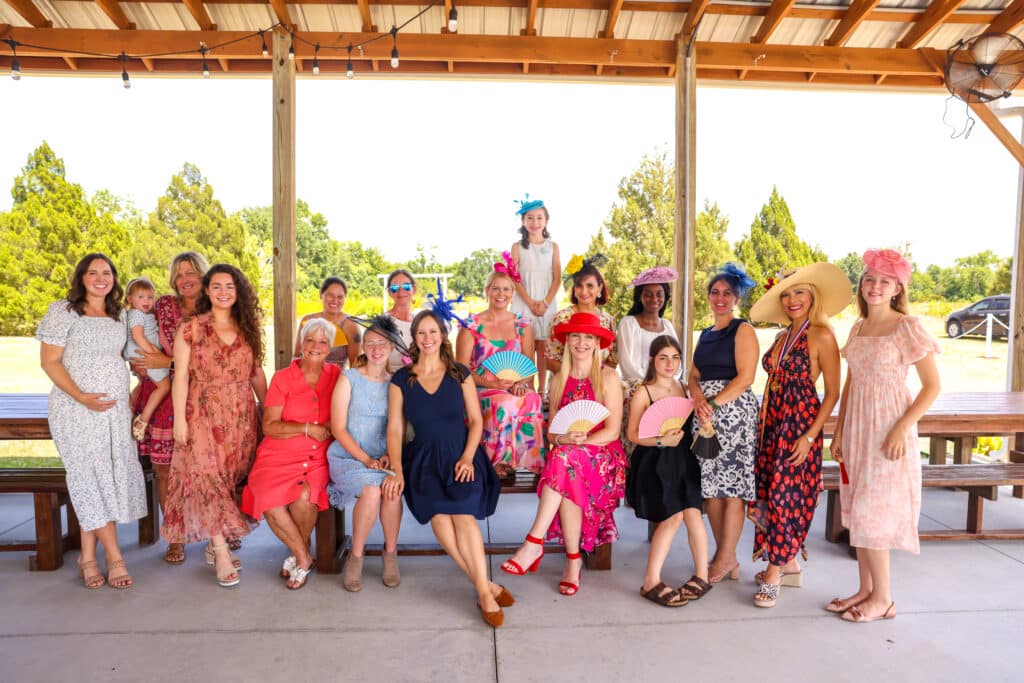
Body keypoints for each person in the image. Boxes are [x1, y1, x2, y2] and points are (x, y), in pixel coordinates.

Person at [828, 249, 940, 623]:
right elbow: (851, 382)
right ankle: (866, 590)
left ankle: (885, 599)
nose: (874, 286)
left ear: (897, 288)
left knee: (872, 513)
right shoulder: (858, 328)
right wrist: (839, 431)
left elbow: (931, 387)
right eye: (869, 278)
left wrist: (901, 428)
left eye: (884, 280)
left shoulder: (906, 327)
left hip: (889, 431)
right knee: (857, 510)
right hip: (857, 430)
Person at [383, 310, 510, 627]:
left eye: (433, 332)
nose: (427, 339)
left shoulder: (460, 374)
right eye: (421, 333)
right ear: (414, 338)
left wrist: (467, 458)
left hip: (461, 455)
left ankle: (483, 591)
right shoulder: (402, 379)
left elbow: (477, 421)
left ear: (442, 335)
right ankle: (485, 587)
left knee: (463, 516)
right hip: (423, 460)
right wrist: (397, 469)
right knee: (440, 517)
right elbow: (395, 430)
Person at [37, 253, 148, 589]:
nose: (101, 278)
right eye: (93, 272)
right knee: (88, 476)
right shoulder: (63, 311)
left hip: (113, 413)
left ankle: (87, 557)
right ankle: (115, 558)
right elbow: (50, 362)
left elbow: (127, 356)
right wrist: (81, 396)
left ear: (114, 278)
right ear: (81, 277)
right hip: (76, 410)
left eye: (107, 272)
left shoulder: (119, 315)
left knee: (105, 479)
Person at [502, 312, 627, 597]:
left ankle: (535, 542)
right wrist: (566, 438)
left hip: (603, 455)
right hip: (570, 458)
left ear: (597, 343)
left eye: (588, 337)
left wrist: (581, 444)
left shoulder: (607, 377)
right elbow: (552, 434)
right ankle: (573, 562)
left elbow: (613, 431)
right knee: (566, 464)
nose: (581, 342)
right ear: (568, 341)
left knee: (565, 461)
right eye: (576, 336)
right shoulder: (559, 379)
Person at [162, 264, 268, 588]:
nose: (223, 292)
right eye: (217, 286)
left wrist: (268, 411)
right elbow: (179, 376)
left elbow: (256, 372)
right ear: (207, 290)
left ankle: (214, 540)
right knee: (208, 479)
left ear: (239, 293)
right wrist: (180, 419)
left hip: (240, 416)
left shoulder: (247, 326)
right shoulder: (190, 328)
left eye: (230, 287)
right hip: (202, 413)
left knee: (230, 479)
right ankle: (221, 552)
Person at [748, 262, 847, 608]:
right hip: (772, 422)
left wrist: (809, 436)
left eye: (799, 292)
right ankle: (787, 563)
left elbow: (832, 392)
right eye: (786, 294)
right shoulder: (780, 336)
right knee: (768, 491)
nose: (792, 300)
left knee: (785, 496)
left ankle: (774, 573)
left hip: (798, 425)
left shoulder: (821, 335)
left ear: (812, 296)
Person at [241, 318, 340, 590]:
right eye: (310, 340)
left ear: (330, 348)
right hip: (278, 453)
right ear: (302, 343)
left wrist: (333, 426)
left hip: (317, 455)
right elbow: (269, 426)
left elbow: (346, 415)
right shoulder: (283, 377)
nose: (316, 346)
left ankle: (299, 553)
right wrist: (307, 428)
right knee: (268, 498)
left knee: (305, 496)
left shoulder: (337, 376)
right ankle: (304, 556)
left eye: (323, 342)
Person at [130, 251, 209, 565]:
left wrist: (171, 361)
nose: (184, 280)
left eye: (191, 272)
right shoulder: (162, 305)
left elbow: (214, 359)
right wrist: (141, 365)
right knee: (164, 469)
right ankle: (174, 537)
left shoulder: (215, 306)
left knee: (206, 469)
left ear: (203, 275)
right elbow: (138, 335)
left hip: (202, 394)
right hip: (162, 394)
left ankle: (215, 531)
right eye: (178, 274)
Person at [687, 263, 760, 584]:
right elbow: (692, 375)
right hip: (704, 416)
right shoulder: (704, 334)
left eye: (726, 293)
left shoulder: (742, 330)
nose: (720, 298)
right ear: (708, 297)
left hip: (734, 413)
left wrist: (714, 402)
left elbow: (746, 377)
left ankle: (724, 557)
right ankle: (725, 556)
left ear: (736, 298)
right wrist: (698, 399)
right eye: (715, 292)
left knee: (733, 490)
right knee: (712, 489)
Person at [626, 335, 710, 608]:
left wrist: (706, 425)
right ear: (653, 360)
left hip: (684, 458)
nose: (670, 363)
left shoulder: (685, 388)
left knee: (694, 513)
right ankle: (651, 580)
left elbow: (694, 424)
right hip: (655, 460)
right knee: (672, 517)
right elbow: (632, 434)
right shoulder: (644, 392)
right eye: (663, 357)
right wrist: (661, 440)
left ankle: (702, 575)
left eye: (675, 357)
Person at [327, 316, 406, 592]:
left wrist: (387, 455)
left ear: (392, 347)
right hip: (349, 457)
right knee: (373, 490)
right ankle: (356, 557)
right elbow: (338, 428)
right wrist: (365, 459)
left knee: (392, 488)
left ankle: (390, 555)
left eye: (382, 343)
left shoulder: (396, 383)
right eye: (370, 342)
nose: (375, 348)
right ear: (363, 347)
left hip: (380, 459)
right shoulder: (349, 379)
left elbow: (397, 427)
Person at [456, 266, 546, 478]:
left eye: (506, 289)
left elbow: (528, 365)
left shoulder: (523, 325)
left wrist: (522, 384)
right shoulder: (471, 326)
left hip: (514, 387)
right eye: (496, 289)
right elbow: (460, 371)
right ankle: (497, 462)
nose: (501, 294)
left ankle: (521, 461)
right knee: (504, 404)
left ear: (512, 293)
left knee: (532, 399)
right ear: (486, 291)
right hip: (478, 387)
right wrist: (492, 384)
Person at [508, 195, 561, 398]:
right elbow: (515, 278)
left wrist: (545, 302)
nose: (535, 222)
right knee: (525, 345)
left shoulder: (553, 246)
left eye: (539, 218)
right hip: (524, 300)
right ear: (523, 221)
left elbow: (557, 277)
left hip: (546, 300)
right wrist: (530, 302)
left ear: (546, 220)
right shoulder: (517, 247)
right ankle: (526, 384)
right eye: (530, 218)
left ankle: (542, 388)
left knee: (543, 346)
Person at [545, 255, 618, 376]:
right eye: (579, 285)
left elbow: (613, 360)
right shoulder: (561, 319)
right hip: (566, 385)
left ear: (599, 288)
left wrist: (597, 381)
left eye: (590, 286)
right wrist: (578, 379)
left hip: (599, 386)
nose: (584, 291)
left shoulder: (608, 321)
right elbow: (549, 360)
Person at [124, 277, 170, 442]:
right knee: (164, 386)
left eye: (150, 297)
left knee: (144, 384)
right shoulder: (136, 314)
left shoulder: (143, 314)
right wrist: (155, 353)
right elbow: (138, 337)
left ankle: (130, 411)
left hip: (143, 352)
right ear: (129, 298)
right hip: (144, 353)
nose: (146, 301)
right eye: (140, 297)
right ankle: (142, 420)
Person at [617, 266, 679, 384]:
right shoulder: (629, 323)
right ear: (640, 297)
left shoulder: (668, 325)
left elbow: (677, 360)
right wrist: (651, 385)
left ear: (665, 297)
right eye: (648, 294)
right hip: (637, 387)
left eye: (659, 294)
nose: (654, 299)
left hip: (666, 387)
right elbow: (626, 364)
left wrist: (667, 383)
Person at [293, 277, 361, 369]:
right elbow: (297, 355)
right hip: (307, 378)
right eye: (331, 295)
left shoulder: (350, 324)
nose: (335, 300)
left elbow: (356, 364)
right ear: (321, 294)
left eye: (340, 297)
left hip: (337, 380)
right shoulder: (307, 320)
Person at [384, 269, 417, 368]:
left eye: (406, 286)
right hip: (390, 378)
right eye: (394, 288)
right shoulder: (383, 322)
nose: (401, 291)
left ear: (414, 289)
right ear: (390, 292)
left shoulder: (419, 321)